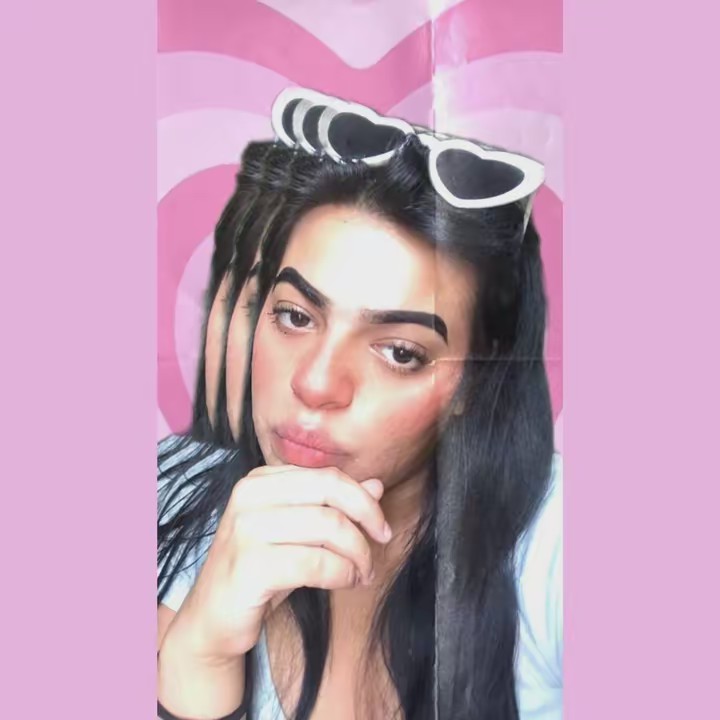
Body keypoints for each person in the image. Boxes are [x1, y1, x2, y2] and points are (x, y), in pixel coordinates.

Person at [157, 93, 562, 720]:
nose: (316, 383)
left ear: (474, 384)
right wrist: (199, 659)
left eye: (400, 352)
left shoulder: (557, 547)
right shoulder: (171, 492)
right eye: (296, 316)